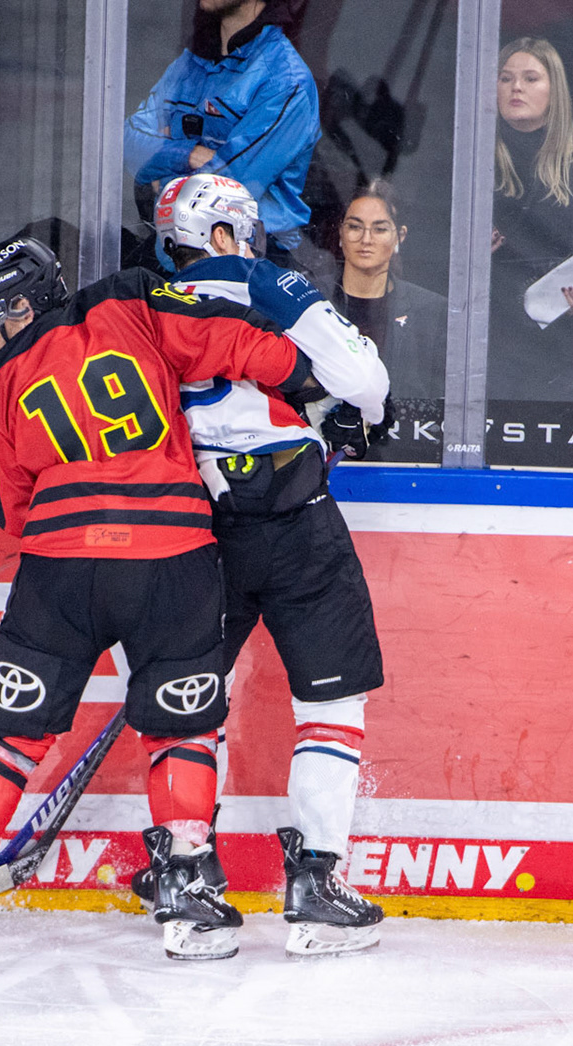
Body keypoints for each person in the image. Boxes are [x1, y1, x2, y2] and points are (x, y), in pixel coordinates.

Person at [0, 234, 324, 962]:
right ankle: (184, 880)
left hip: (60, 569)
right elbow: (222, 341)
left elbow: (12, 513)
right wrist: (297, 368)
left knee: (11, 728)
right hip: (174, 558)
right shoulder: (127, 299)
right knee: (181, 728)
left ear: (19, 304)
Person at [150, 173, 390, 956]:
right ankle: (316, 888)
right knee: (334, 702)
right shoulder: (262, 279)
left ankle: (189, 895)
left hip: (196, 526)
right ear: (222, 234)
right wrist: (345, 407)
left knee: (189, 707)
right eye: (242, 230)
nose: (249, 242)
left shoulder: (141, 307)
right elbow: (365, 381)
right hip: (293, 522)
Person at [123, 0, 319, 270]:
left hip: (254, 262)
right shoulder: (189, 65)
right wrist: (187, 154)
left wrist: (161, 173)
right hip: (172, 250)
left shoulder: (285, 80)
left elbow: (225, 189)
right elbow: (124, 142)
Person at [488, 36, 573, 401]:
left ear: (554, 90)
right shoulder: (468, 162)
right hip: (488, 338)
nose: (515, 87)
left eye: (530, 78)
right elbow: (427, 249)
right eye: (505, 77)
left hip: (559, 346)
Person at [325, 179, 445, 402]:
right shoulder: (311, 299)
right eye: (354, 227)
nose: (366, 239)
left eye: (379, 229)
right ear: (340, 233)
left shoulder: (431, 310)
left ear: (400, 236)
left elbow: (437, 396)